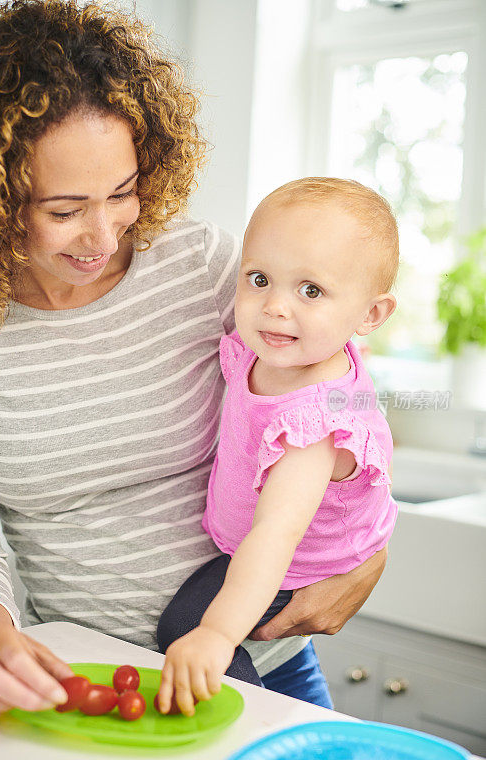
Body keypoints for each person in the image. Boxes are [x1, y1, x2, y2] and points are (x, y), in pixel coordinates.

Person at [0, 0, 387, 725]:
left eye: (121, 193)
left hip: (260, 663)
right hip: (90, 681)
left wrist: (367, 548)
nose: (103, 235)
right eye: (63, 210)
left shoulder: (204, 266)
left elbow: (337, 398)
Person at [156, 178, 399, 716]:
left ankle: (256, 729)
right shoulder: (272, 351)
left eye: (310, 290)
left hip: (309, 558)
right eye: (259, 278)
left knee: (185, 627)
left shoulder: (314, 421)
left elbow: (277, 531)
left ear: (370, 315)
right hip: (266, 542)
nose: (275, 308)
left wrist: (218, 635)